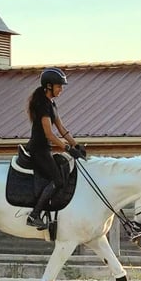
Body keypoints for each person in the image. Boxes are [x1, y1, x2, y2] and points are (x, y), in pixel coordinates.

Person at [25, 67, 85, 229]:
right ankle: (34, 215)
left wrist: (76, 144)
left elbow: (61, 129)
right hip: (38, 150)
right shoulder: (42, 105)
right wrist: (68, 149)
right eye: (59, 86)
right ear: (48, 86)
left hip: (46, 149)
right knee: (58, 181)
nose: (61, 89)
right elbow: (49, 135)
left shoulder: (52, 104)